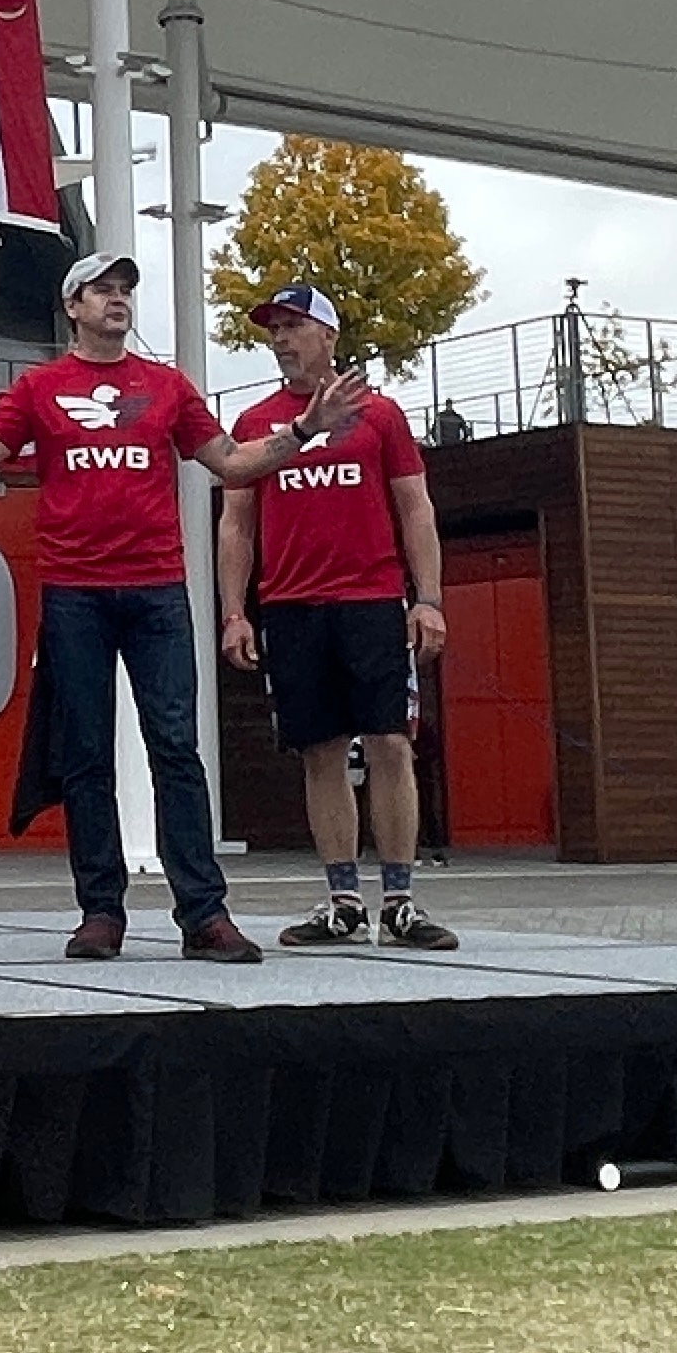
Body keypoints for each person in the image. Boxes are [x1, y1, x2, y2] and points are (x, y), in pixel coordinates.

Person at [0, 249, 366, 962]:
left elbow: (231, 464)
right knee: (85, 756)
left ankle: (204, 914)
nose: (116, 300)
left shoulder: (167, 386)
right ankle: (100, 912)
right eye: (101, 290)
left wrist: (300, 431)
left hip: (157, 591)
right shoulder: (42, 388)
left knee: (176, 750)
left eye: (123, 290)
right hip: (75, 592)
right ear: (72, 307)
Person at [214, 284, 455, 951]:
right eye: (274, 328)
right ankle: (343, 899)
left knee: (389, 743)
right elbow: (236, 527)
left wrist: (428, 598)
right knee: (320, 752)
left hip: (372, 603)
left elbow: (415, 508)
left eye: (295, 325)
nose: (282, 339)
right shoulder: (256, 423)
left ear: (329, 335)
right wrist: (236, 612)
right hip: (291, 608)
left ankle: (400, 899)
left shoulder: (380, 415)